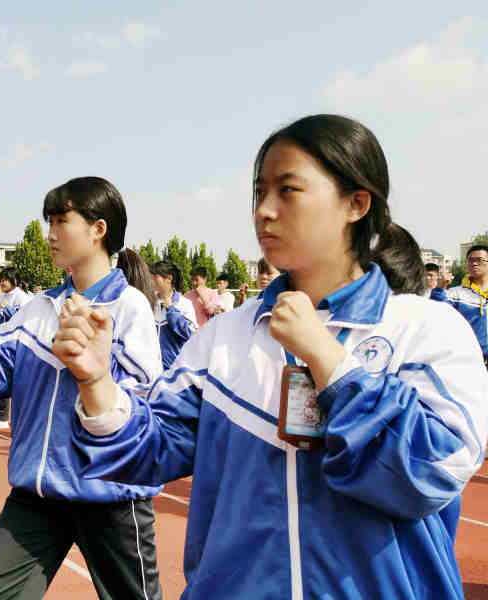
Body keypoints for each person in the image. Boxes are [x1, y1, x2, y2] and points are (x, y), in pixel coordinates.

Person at [57, 115, 487, 599]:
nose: (264, 211)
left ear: (356, 203)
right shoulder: (225, 339)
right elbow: (145, 452)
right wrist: (96, 384)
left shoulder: (423, 329)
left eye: (289, 190)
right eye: (260, 193)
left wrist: (332, 364)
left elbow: (429, 474)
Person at [0, 176, 164, 600]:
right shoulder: (38, 308)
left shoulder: (127, 307)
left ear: (98, 229)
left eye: (62, 220)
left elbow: (143, 404)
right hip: (39, 495)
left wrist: (92, 371)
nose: (51, 233)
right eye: (49, 221)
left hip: (109, 496)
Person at [0, 267, 31, 431]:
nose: (2, 282)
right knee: (3, 375)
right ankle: (1, 416)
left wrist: (7, 310)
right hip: (2, 339)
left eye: (5, 279)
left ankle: (9, 416)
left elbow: (23, 318)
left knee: (20, 378)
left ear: (14, 281)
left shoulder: (21, 297)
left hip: (17, 341)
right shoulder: (2, 297)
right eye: (1, 279)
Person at [431, 245, 488, 366]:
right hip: (469, 359)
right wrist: (440, 288)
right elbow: (437, 311)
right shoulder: (456, 294)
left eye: (479, 260)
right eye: (471, 260)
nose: (474, 264)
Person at [150, 260, 197, 369]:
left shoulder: (184, 304)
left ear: (169, 279)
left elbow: (191, 335)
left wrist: (171, 310)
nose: (151, 280)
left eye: (155, 276)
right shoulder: (149, 301)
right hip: (151, 370)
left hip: (173, 371)